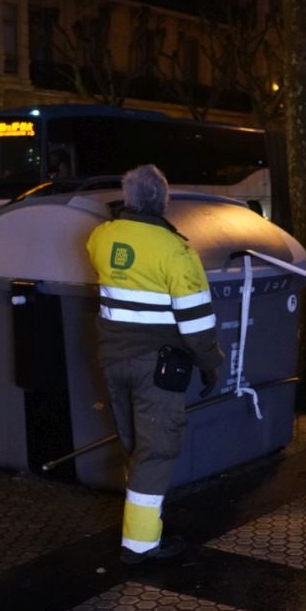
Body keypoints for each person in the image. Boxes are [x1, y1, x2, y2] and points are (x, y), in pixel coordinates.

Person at [86, 164, 223, 564]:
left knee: (134, 445)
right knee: (157, 450)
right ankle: (141, 546)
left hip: (112, 360)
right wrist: (210, 362)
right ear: (163, 201)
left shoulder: (101, 237)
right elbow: (197, 324)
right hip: (157, 368)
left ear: (128, 198)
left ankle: (141, 526)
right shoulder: (177, 251)